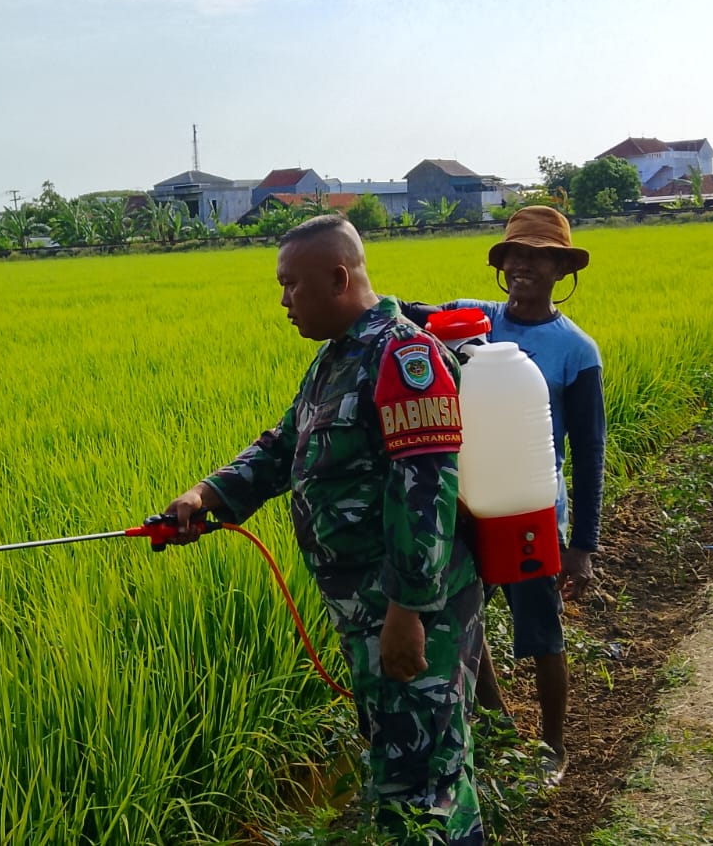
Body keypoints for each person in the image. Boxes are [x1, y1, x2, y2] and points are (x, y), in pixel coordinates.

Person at [165, 215, 485, 845]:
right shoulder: (336, 360)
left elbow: (425, 492)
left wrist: (407, 612)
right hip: (365, 611)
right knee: (402, 762)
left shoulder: (405, 357)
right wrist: (208, 494)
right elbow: (284, 446)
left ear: (339, 278)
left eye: (291, 285)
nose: (283, 301)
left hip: (412, 609)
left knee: (423, 783)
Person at [402, 205, 605, 788]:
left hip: (531, 507)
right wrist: (362, 297)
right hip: (468, 503)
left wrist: (583, 546)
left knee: (541, 631)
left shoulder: (575, 350)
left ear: (562, 269)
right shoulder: (477, 323)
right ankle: (496, 728)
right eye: (516, 253)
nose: (524, 266)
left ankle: (554, 744)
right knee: (468, 616)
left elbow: (590, 451)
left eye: (540, 256)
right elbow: (415, 312)